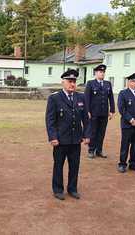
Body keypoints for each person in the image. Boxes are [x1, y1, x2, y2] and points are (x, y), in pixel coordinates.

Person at [45, 69, 90, 200]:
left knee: (74, 165)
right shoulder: (54, 98)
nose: (72, 84)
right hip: (60, 140)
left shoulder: (81, 97)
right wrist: (52, 137)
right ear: (63, 82)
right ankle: (58, 189)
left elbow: (86, 119)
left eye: (74, 81)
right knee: (58, 165)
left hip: (76, 139)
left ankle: (72, 189)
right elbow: (50, 120)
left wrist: (87, 135)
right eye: (69, 81)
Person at [84, 64, 115, 159]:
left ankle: (99, 150)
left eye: (103, 72)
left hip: (104, 113)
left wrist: (112, 110)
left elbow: (111, 98)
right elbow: (86, 98)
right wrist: (87, 111)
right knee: (93, 131)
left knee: (102, 132)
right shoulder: (90, 83)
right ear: (96, 73)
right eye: (100, 72)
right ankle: (91, 150)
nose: (102, 74)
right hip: (94, 112)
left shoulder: (107, 84)